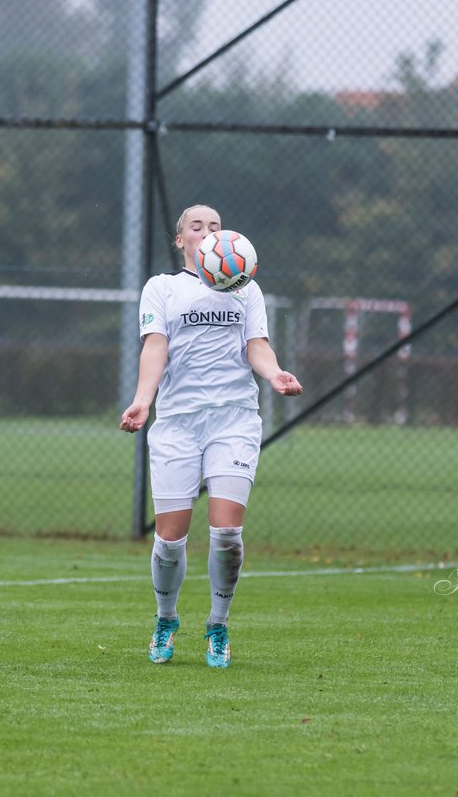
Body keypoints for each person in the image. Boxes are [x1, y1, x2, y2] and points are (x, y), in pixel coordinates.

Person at [120, 204, 303, 668]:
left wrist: (275, 374)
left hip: (234, 420)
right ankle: (166, 619)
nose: (208, 233)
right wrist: (143, 399)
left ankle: (218, 626)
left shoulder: (247, 290)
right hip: (178, 423)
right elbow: (155, 347)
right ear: (180, 241)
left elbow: (256, 346)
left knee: (226, 533)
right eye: (196, 227)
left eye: (216, 226)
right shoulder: (162, 288)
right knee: (170, 540)